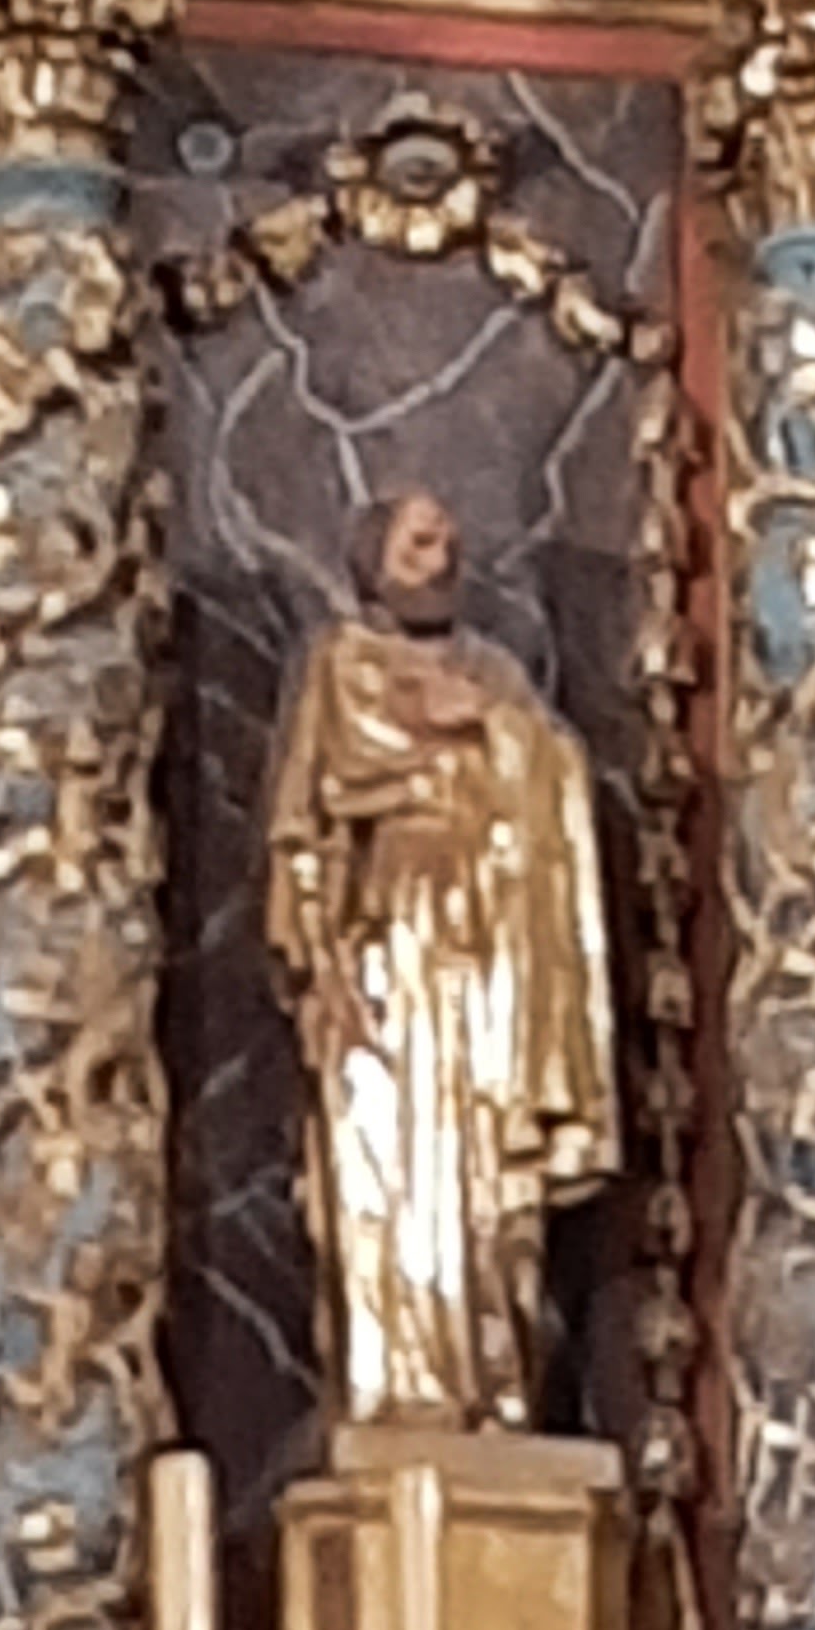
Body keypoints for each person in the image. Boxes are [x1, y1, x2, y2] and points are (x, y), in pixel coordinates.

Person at [263, 488, 618, 1428]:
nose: (441, 559)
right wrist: (318, 962)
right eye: (421, 542)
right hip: (386, 956)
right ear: (374, 560)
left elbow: (556, 772)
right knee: (386, 1166)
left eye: (450, 543)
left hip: (493, 967)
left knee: (491, 1191)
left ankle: (496, 1389)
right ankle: (396, 1390)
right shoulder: (341, 668)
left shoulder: (497, 678)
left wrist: (491, 727)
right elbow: (302, 833)